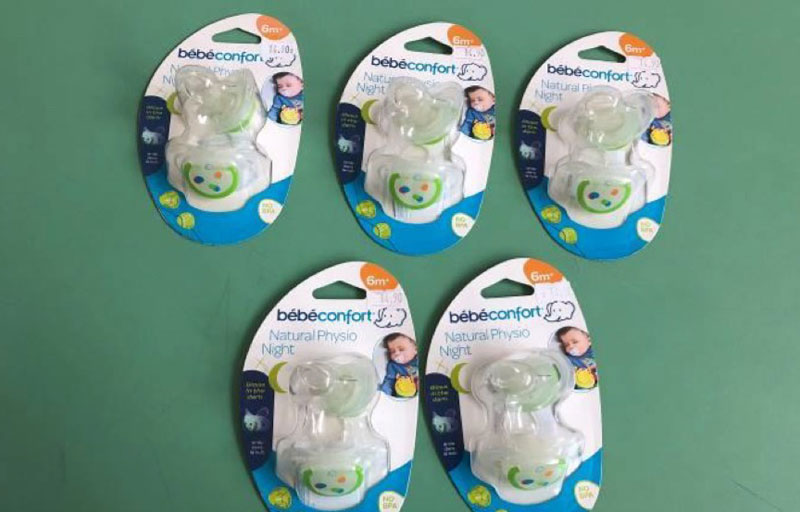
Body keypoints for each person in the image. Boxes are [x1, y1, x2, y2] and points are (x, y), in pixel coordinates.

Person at [379, 333, 419, 398]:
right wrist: (385, 393)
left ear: (416, 349)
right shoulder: (393, 365)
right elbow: (389, 380)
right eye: (392, 351)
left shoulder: (419, 360)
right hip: (402, 393)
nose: (396, 353)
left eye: (401, 349)